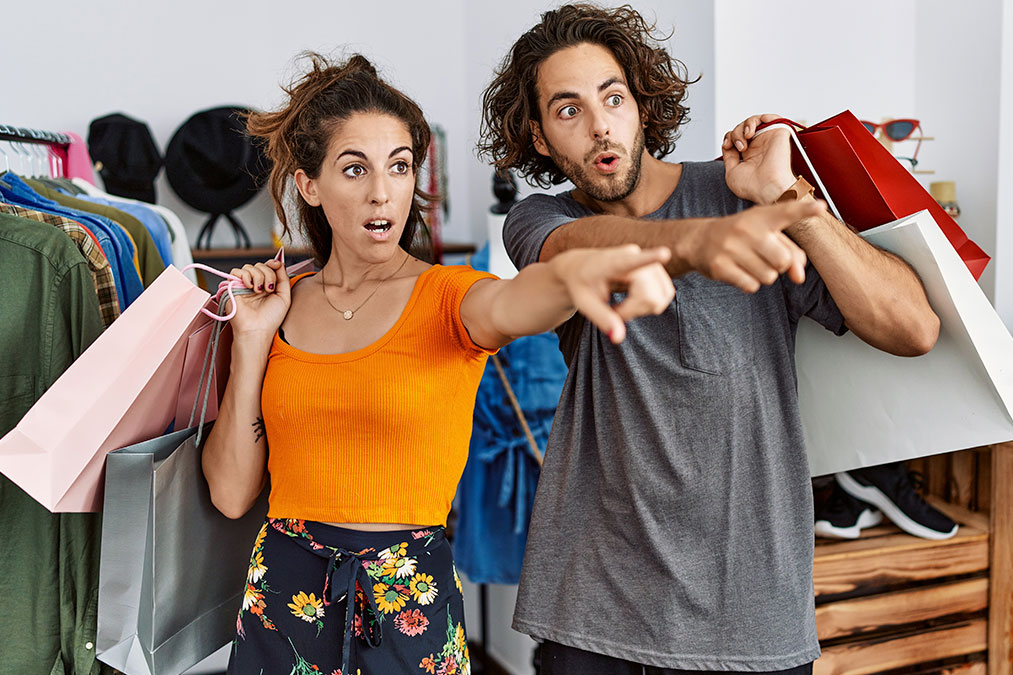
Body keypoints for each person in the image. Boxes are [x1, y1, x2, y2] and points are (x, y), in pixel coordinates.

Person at [478, 5, 941, 673]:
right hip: (593, 612)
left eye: (613, 97)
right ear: (541, 136)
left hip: (751, 617)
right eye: (568, 109)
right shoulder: (542, 219)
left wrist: (787, 200)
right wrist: (701, 242)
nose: (600, 124)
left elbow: (914, 327)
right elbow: (573, 252)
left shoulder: (738, 198)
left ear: (642, 103)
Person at [202, 52, 676, 675]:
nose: (382, 191)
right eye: (355, 169)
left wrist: (574, 277)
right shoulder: (277, 308)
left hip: (409, 610)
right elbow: (233, 495)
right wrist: (253, 340)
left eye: (400, 168)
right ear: (308, 185)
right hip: (282, 602)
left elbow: (514, 301)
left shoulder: (450, 297)